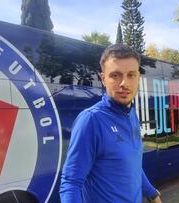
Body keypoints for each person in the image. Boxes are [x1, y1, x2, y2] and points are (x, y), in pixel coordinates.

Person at [59, 44, 162, 203]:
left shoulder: (132, 114)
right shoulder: (91, 120)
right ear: (103, 79)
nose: (124, 83)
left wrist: (152, 194)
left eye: (131, 75)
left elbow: (132, 164)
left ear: (138, 78)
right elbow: (71, 183)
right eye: (115, 75)